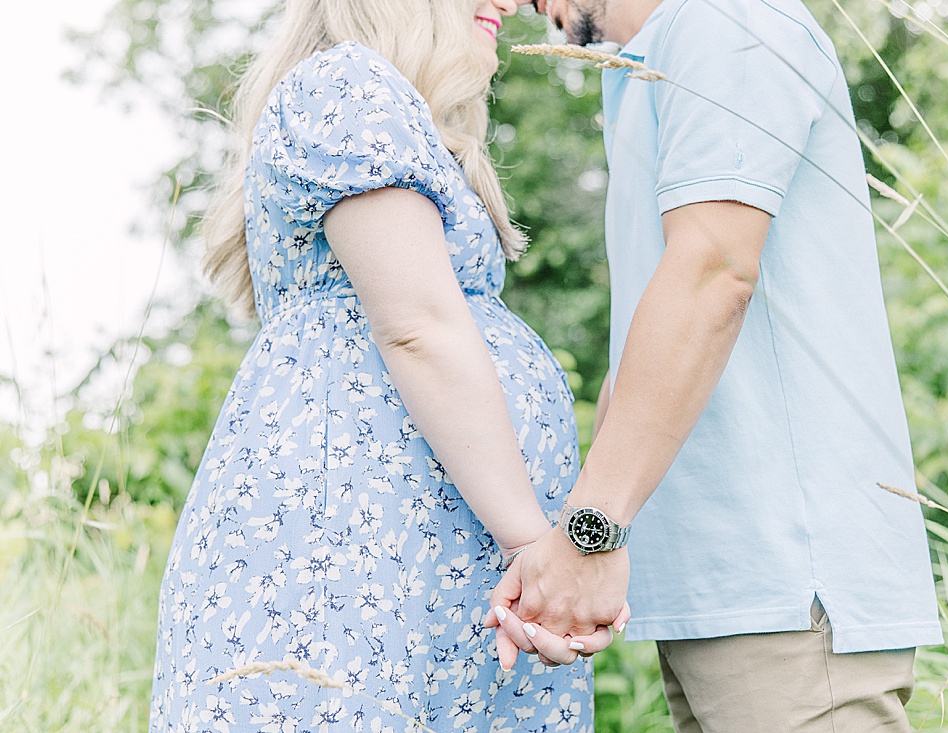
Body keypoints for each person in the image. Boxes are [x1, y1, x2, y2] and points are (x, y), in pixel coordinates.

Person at [149, 1, 623, 730]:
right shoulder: (345, 87)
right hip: (350, 563)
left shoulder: (403, 121)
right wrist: (536, 546)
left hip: (426, 577)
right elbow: (418, 327)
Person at [488, 0, 944, 729]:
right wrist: (576, 542)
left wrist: (589, 530)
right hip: (718, 595)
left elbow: (713, 276)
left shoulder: (728, 22)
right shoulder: (639, 68)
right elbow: (654, 328)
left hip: (792, 589)